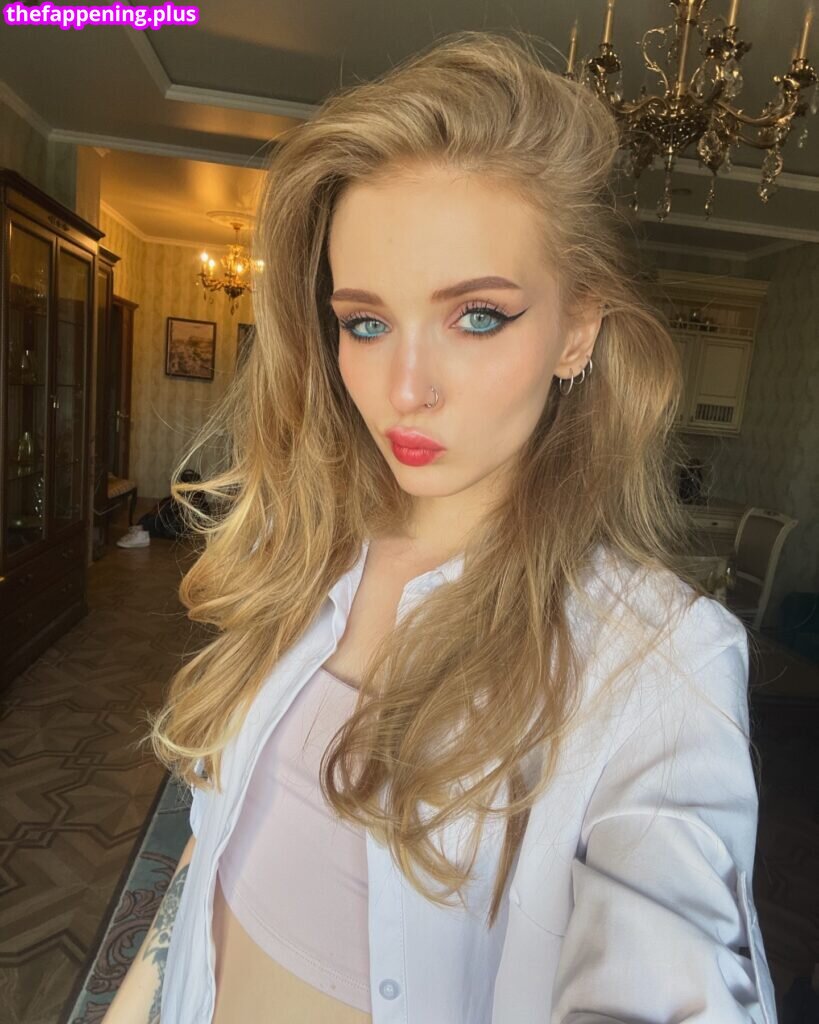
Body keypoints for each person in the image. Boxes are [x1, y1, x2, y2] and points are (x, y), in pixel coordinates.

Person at [102, 29, 778, 1024]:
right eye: (365, 322)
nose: (404, 388)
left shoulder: (658, 663)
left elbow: (670, 964)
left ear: (578, 328)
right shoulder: (311, 548)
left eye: (478, 316)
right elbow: (217, 841)